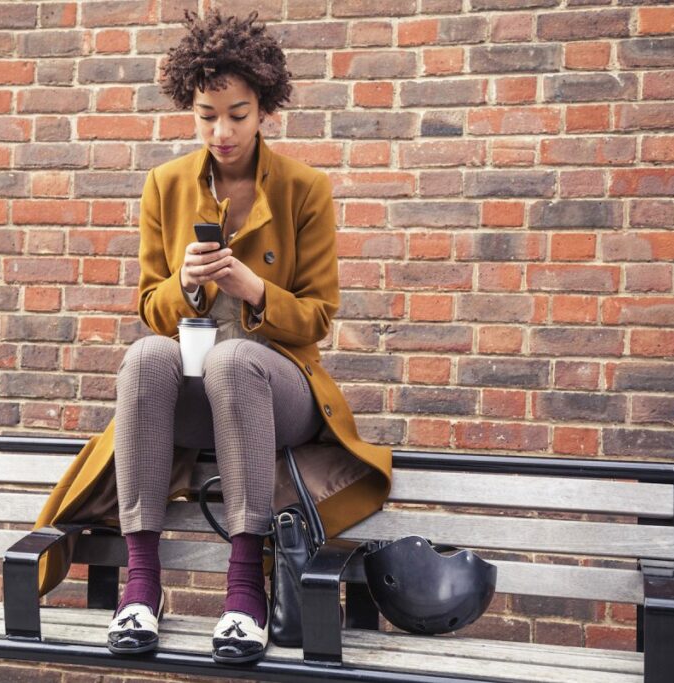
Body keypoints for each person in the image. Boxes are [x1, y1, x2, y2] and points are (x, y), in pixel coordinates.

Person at [32, 10, 393, 665]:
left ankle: (242, 594)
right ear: (189, 108)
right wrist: (187, 284)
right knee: (145, 358)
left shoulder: (304, 190)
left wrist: (254, 290)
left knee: (234, 360)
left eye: (238, 113)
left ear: (264, 109)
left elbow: (316, 318)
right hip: (199, 380)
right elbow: (150, 308)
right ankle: (140, 591)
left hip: (281, 387)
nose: (221, 130)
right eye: (206, 115)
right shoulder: (165, 186)